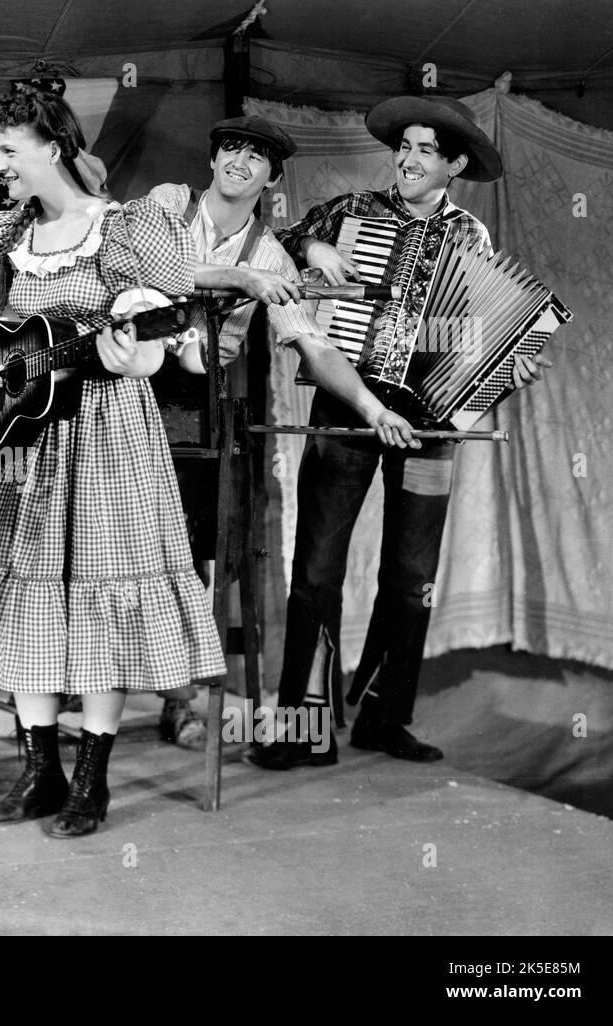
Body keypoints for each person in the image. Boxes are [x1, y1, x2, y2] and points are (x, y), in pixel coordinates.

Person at [0, 86, 223, 838]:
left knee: (105, 597)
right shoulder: (2, 234)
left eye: (8, 153)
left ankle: (90, 777)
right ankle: (39, 771)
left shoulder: (126, 229)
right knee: (31, 595)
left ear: (53, 150)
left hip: (107, 433)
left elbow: (160, 346)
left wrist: (133, 357)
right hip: (24, 443)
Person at [247, 95, 550, 771]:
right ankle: (305, 728)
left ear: (455, 165)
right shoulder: (351, 210)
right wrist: (315, 245)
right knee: (317, 569)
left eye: (424, 152)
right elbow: (271, 245)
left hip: (432, 422)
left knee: (412, 576)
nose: (407, 160)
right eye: (403, 147)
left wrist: (511, 365)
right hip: (346, 407)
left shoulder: (471, 235)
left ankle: (385, 717)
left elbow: (478, 337)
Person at [147, 115, 420, 751]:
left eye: (257, 157)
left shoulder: (271, 252)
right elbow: (152, 269)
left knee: (190, 556)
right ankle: (79, 696)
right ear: (213, 160)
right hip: (121, 385)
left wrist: (370, 405)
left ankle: (181, 701)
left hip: (196, 405)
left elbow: (314, 343)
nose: (241, 162)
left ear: (272, 180)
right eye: (231, 150)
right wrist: (239, 282)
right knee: (103, 544)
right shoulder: (165, 203)